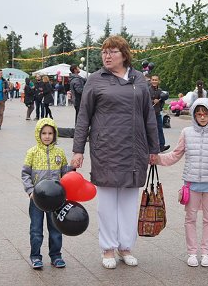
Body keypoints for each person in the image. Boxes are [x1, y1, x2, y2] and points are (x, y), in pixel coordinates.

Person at [71, 35, 159, 269]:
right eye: (104, 52)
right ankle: (108, 248)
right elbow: (83, 117)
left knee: (129, 202)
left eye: (112, 51)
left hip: (134, 149)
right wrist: (78, 150)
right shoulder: (95, 80)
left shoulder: (139, 79)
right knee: (108, 203)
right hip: (106, 149)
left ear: (124, 54)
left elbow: (149, 116)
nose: (107, 56)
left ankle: (125, 247)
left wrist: (154, 148)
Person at [156, 98, 208, 267]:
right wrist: (156, 159)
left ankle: (206, 253)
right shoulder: (186, 132)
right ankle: (192, 253)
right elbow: (175, 154)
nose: (202, 117)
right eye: (198, 114)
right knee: (190, 219)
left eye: (205, 114)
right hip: (191, 184)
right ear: (194, 115)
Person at [21, 118, 70, 269]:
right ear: (38, 134)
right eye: (44, 133)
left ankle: (56, 256)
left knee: (55, 228)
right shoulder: (32, 152)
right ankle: (35, 256)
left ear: (55, 135)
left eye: (50, 133)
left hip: (55, 199)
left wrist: (72, 169)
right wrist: (30, 191)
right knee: (36, 229)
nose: (47, 136)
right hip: (37, 198)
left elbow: (65, 174)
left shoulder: (60, 152)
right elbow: (25, 174)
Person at [149, 75, 170, 152]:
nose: (154, 81)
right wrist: (152, 101)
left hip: (157, 113)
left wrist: (160, 103)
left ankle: (161, 145)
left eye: (156, 80)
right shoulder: (147, 90)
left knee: (159, 129)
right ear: (151, 81)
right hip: (149, 114)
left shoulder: (160, 91)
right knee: (149, 130)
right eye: (153, 80)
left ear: (159, 81)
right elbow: (144, 100)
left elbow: (163, 101)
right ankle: (150, 146)